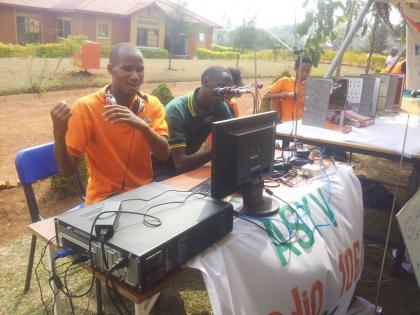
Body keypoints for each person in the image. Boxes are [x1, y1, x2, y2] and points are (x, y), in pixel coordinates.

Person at [50, 43, 170, 205]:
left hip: (144, 195)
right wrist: (59, 135)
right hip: (103, 200)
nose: (135, 76)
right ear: (110, 69)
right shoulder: (86, 108)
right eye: (127, 69)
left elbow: (164, 154)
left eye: (139, 69)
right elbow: (67, 171)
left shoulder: (152, 104)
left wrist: (142, 127)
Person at [165, 66, 233, 174]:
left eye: (227, 90)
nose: (224, 94)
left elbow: (232, 137)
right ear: (205, 82)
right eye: (220, 88)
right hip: (163, 171)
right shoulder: (176, 110)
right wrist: (216, 150)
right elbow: (179, 164)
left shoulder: (219, 105)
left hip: (190, 167)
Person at [263, 55, 312, 122]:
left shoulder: (310, 85)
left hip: (303, 124)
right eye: (302, 70)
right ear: (295, 68)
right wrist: (286, 95)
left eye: (308, 71)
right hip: (286, 125)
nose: (305, 74)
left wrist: (310, 89)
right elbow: (266, 96)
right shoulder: (285, 81)